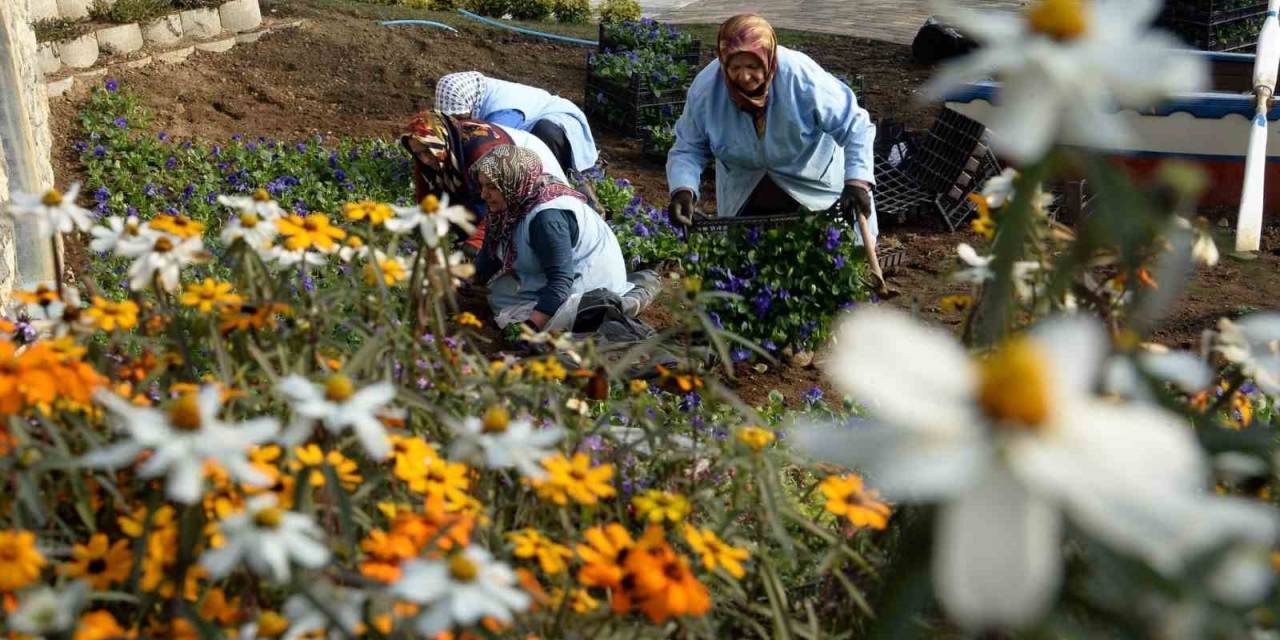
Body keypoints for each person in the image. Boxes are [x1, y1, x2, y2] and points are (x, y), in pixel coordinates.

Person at [665, 14, 888, 290]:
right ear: (723, 61)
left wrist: (856, 182)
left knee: (829, 271)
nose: (744, 77)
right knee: (753, 273)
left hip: (811, 184)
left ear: (768, 59)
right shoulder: (707, 90)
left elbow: (855, 125)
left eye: (753, 66)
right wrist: (683, 189)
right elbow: (688, 147)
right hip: (748, 189)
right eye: (734, 66)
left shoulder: (800, 78)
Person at [470, 145, 654, 332]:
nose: (484, 194)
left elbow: (560, 280)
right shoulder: (511, 204)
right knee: (498, 293)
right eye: (482, 185)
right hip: (553, 273)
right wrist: (463, 280)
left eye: (492, 187)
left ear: (513, 182)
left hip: (586, 281)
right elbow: (490, 254)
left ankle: (611, 306)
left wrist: (530, 328)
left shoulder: (546, 220)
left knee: (540, 324)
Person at [401, 110, 566, 253]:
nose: (425, 159)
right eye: (419, 154)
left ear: (440, 142)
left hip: (525, 162)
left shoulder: (483, 151)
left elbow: (504, 201)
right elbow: (426, 195)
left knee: (515, 228)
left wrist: (476, 241)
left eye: (426, 153)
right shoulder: (433, 149)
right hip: (486, 172)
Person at [435, 72, 600, 178]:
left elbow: (495, 150)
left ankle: (560, 177)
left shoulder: (503, 111)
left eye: (462, 116)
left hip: (563, 124)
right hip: (529, 131)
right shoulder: (470, 95)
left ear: (470, 103)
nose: (460, 122)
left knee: (546, 131)